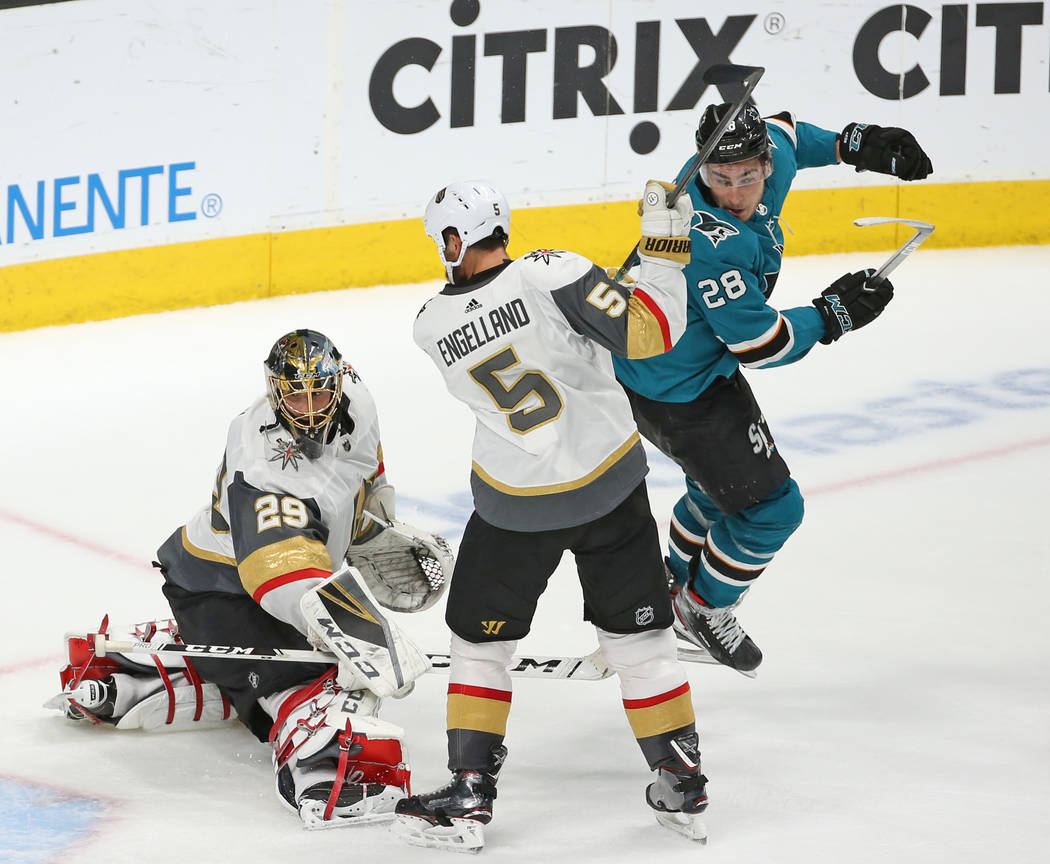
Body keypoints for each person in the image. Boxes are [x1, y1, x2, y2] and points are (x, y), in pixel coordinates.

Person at [393, 179, 708, 851]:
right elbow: (652, 331)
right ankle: (681, 777)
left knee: (481, 646)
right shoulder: (552, 271)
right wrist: (665, 247)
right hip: (611, 489)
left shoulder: (430, 325)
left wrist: (579, 328)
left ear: (454, 240)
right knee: (643, 644)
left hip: (518, 506)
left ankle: (471, 793)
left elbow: (518, 337)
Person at [45, 329, 454, 829]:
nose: (308, 407)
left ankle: (192, 668)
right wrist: (363, 634)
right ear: (274, 391)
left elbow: (365, 463)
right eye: (295, 395)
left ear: (341, 381)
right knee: (338, 673)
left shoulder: (358, 399)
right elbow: (278, 575)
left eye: (319, 392)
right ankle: (317, 759)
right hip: (222, 592)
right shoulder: (265, 469)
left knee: (325, 651)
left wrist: (372, 519)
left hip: (236, 584)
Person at [613, 104, 933, 673]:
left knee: (715, 491)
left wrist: (857, 143)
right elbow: (762, 346)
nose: (734, 191)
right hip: (685, 394)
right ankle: (703, 606)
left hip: (653, 375)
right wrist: (832, 315)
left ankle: (669, 580)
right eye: (719, 178)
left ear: (765, 164)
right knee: (773, 510)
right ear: (703, 170)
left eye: (748, 176)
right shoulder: (707, 242)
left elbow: (791, 135)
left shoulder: (744, 155)